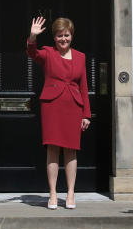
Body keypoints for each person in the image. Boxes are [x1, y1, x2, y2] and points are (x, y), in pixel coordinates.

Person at [27, 16, 91, 210]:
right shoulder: (48, 53)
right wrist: (32, 36)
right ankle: (53, 193)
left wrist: (86, 114)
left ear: (72, 36)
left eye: (66, 35)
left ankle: (71, 193)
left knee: (71, 151)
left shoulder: (80, 56)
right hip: (52, 106)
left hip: (73, 106)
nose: (63, 39)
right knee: (53, 150)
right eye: (59, 35)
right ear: (54, 37)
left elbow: (84, 87)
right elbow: (32, 53)